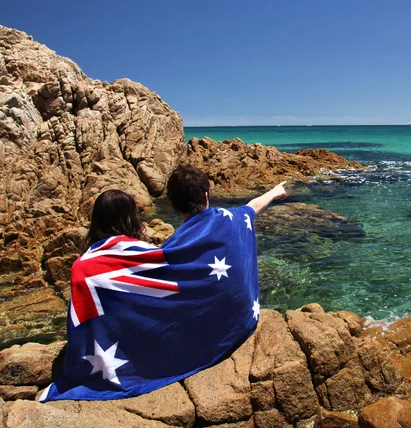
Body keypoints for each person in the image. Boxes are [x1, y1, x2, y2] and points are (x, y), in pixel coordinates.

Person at [40, 167, 286, 402]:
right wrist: (275, 192)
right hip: (239, 321)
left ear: (172, 203)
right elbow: (251, 207)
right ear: (207, 196)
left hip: (111, 360)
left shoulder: (87, 266)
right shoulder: (228, 219)